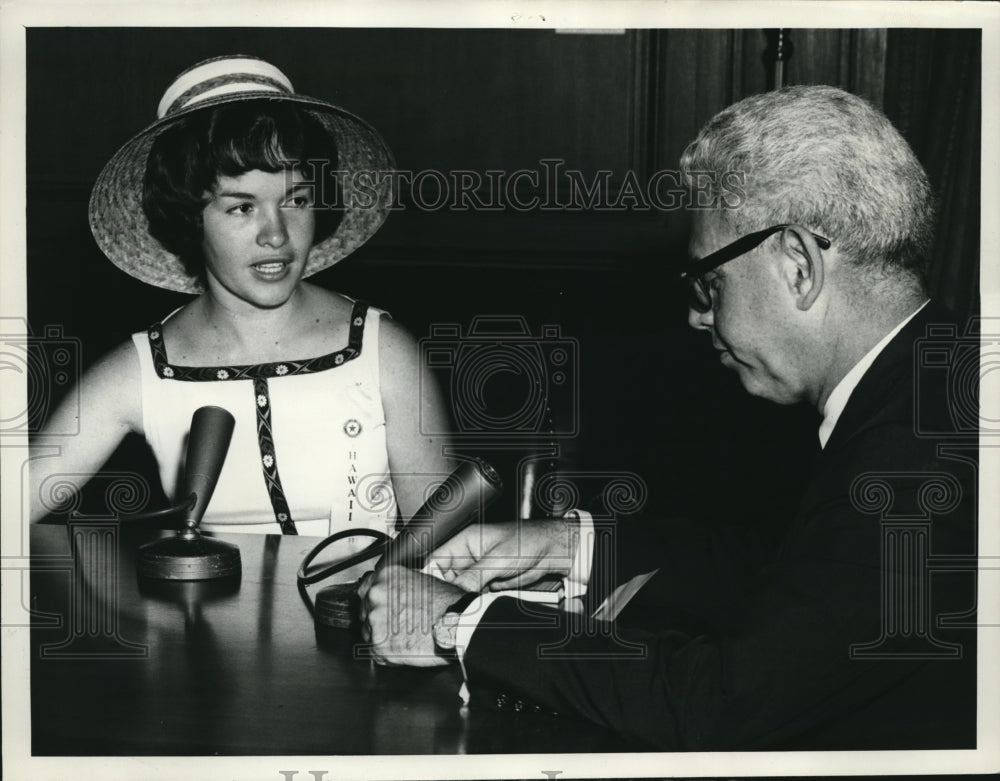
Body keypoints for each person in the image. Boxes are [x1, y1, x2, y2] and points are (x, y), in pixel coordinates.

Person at [359, 85, 978, 750]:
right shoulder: (928, 383)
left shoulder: (916, 454)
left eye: (710, 282)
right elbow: (791, 581)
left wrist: (461, 621)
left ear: (797, 266)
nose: (697, 315)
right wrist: (572, 548)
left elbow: (720, 701)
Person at [29, 55, 453, 536]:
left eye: (295, 199)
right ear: (190, 218)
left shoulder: (385, 351)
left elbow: (445, 546)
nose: (276, 235)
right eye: (242, 207)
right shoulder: (136, 372)